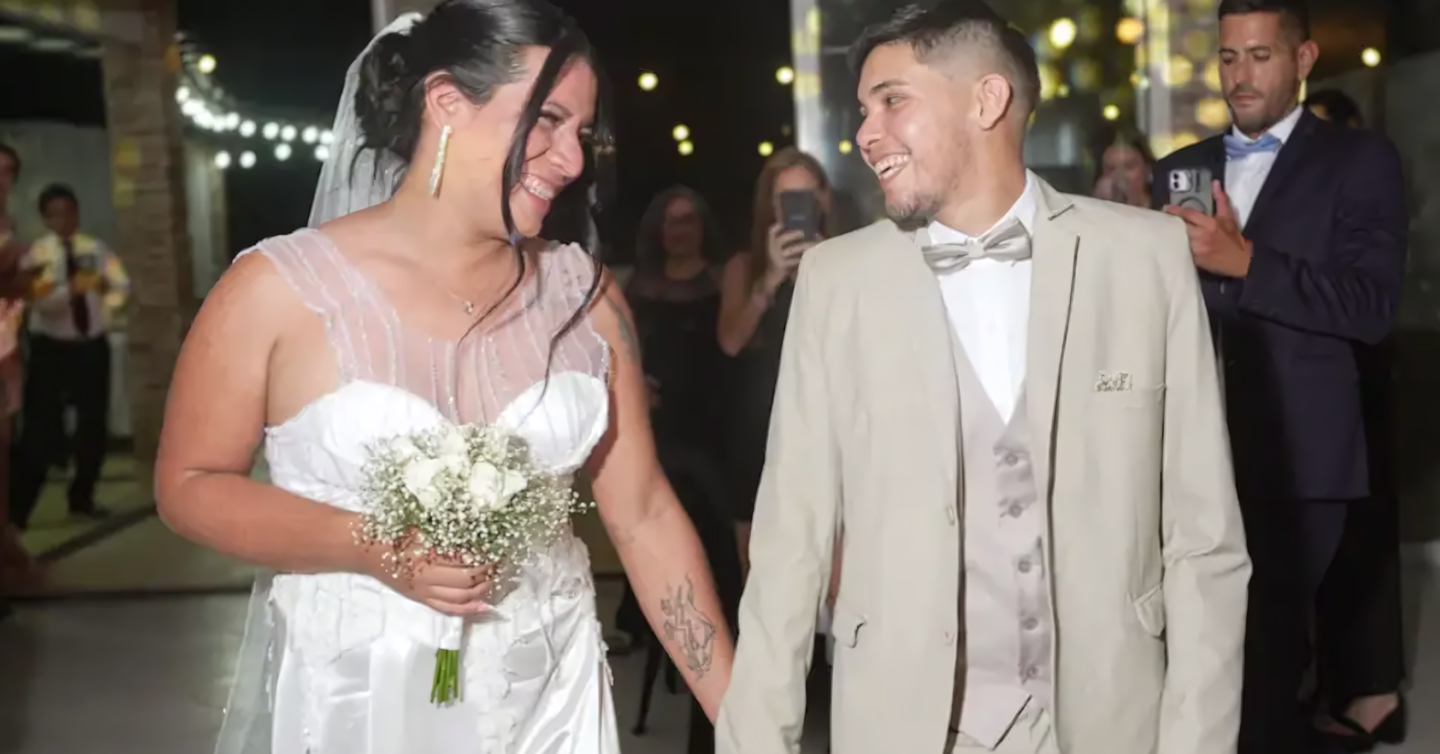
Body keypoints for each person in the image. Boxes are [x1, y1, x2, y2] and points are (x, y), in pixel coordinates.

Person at [153, 3, 733, 752]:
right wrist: (374, 545)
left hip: (551, 698)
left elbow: (645, 515)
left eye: (583, 135)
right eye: (548, 121)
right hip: (364, 702)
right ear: (447, 102)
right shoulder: (277, 289)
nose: (571, 161)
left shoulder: (585, 297)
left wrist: (742, 718)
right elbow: (190, 485)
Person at [718, 3, 1249, 754]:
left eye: (892, 100)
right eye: (863, 110)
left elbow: (1205, 543)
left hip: (1106, 720)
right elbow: (788, 548)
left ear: (987, 100)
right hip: (905, 726)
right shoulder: (836, 281)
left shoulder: (1146, 258)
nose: (865, 133)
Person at [1152, 2, 1407, 753]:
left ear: (1303, 59)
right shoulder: (1182, 169)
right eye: (1228, 56)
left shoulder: (1360, 161)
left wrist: (1249, 263)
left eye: (1260, 56)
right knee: (1200, 650)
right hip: (1193, 448)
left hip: (1302, 453)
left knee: (1265, 651)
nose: (1240, 75)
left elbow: (1370, 306)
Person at [1300, 87, 1407, 750]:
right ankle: (1351, 687)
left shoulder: (1367, 179)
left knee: (1364, 536)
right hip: (1329, 380)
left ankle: (1376, 693)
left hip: (1359, 374)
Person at [619, 186, 741, 753]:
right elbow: (613, 361)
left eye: (690, 220)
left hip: (719, 438)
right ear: (657, 231)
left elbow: (736, 357)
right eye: (671, 221)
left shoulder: (723, 282)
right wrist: (632, 387)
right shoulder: (636, 289)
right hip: (661, 440)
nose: (681, 230)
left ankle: (714, 719)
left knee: (720, 573)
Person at [716, 147, 834, 578]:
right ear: (771, 205)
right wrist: (769, 281)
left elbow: (850, 345)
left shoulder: (842, 260)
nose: (798, 209)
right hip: (758, 424)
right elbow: (730, 342)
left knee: (827, 563)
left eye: (807, 195)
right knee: (759, 568)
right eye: (787, 198)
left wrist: (812, 275)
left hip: (825, 424)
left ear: (823, 199)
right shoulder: (745, 266)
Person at [9, 184, 128, 529]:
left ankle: (83, 497)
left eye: (69, 212)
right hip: (52, 347)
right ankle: (18, 511)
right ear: (45, 218)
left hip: (90, 344)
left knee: (93, 424)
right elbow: (39, 302)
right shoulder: (37, 256)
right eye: (55, 214)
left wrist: (107, 306)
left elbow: (120, 284)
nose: (64, 220)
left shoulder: (94, 248)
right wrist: (69, 290)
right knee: (41, 429)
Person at [1092, 129, 1154, 207]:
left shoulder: (1163, 209)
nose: (1120, 176)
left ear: (1147, 169)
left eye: (1129, 166)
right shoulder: (1095, 208)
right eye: (1111, 168)